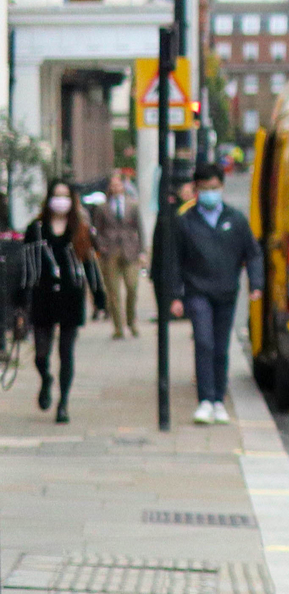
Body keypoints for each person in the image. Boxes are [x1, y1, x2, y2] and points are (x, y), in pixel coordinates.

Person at [162, 165, 264, 425]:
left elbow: (252, 253)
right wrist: (175, 295)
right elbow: (174, 261)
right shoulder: (185, 222)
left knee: (220, 348)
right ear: (196, 190)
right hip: (197, 293)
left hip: (226, 293)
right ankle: (205, 400)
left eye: (214, 188)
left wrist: (256, 283)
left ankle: (219, 400)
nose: (210, 193)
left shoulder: (236, 220)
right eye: (205, 189)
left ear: (222, 188)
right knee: (204, 343)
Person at [20, 179, 103, 423]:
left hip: (70, 296)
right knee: (40, 353)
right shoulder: (35, 228)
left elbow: (89, 263)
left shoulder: (80, 228)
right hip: (42, 295)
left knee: (66, 353)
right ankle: (46, 378)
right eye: (57, 195)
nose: (61, 200)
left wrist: (99, 296)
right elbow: (27, 264)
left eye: (65, 196)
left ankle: (63, 402)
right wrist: (21, 297)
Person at [90, 167, 145, 338]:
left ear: (123, 186)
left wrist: (142, 251)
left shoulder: (133, 206)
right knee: (113, 292)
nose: (116, 189)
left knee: (132, 287)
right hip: (110, 252)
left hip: (130, 250)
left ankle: (131, 320)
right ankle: (118, 327)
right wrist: (101, 247)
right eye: (112, 186)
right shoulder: (102, 208)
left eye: (118, 185)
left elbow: (140, 229)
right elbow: (96, 230)